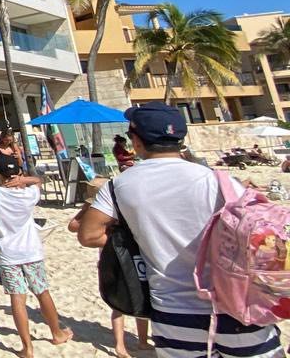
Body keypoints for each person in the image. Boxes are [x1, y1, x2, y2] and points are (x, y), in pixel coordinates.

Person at [78, 103, 282, 358]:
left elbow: (89, 235)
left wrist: (142, 237)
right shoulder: (219, 180)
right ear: (180, 140)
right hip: (236, 305)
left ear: (137, 141)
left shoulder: (119, 186)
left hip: (174, 312)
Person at [0, 154, 72, 357]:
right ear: (17, 174)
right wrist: (24, 180)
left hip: (7, 251)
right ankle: (56, 333)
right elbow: (38, 180)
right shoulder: (29, 195)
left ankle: (27, 347)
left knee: (17, 298)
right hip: (31, 250)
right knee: (42, 292)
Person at [67, 178, 150, 357]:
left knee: (140, 297)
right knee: (118, 304)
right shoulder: (95, 212)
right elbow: (72, 227)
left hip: (125, 257)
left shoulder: (119, 210)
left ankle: (142, 341)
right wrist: (85, 212)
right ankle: (120, 345)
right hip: (110, 259)